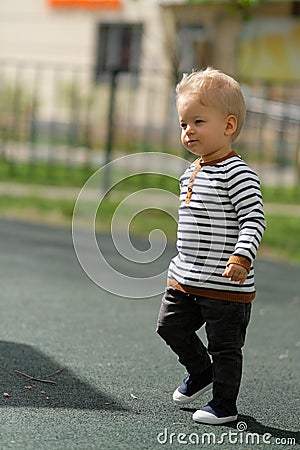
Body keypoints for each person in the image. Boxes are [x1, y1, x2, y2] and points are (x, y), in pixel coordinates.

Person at [156, 67, 266, 425]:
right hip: (186, 277)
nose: (188, 131)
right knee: (169, 326)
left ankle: (224, 403)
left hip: (225, 285)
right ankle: (201, 371)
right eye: (183, 124)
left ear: (228, 126)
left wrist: (242, 256)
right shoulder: (190, 171)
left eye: (197, 121)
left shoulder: (238, 173)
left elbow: (253, 218)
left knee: (226, 346)